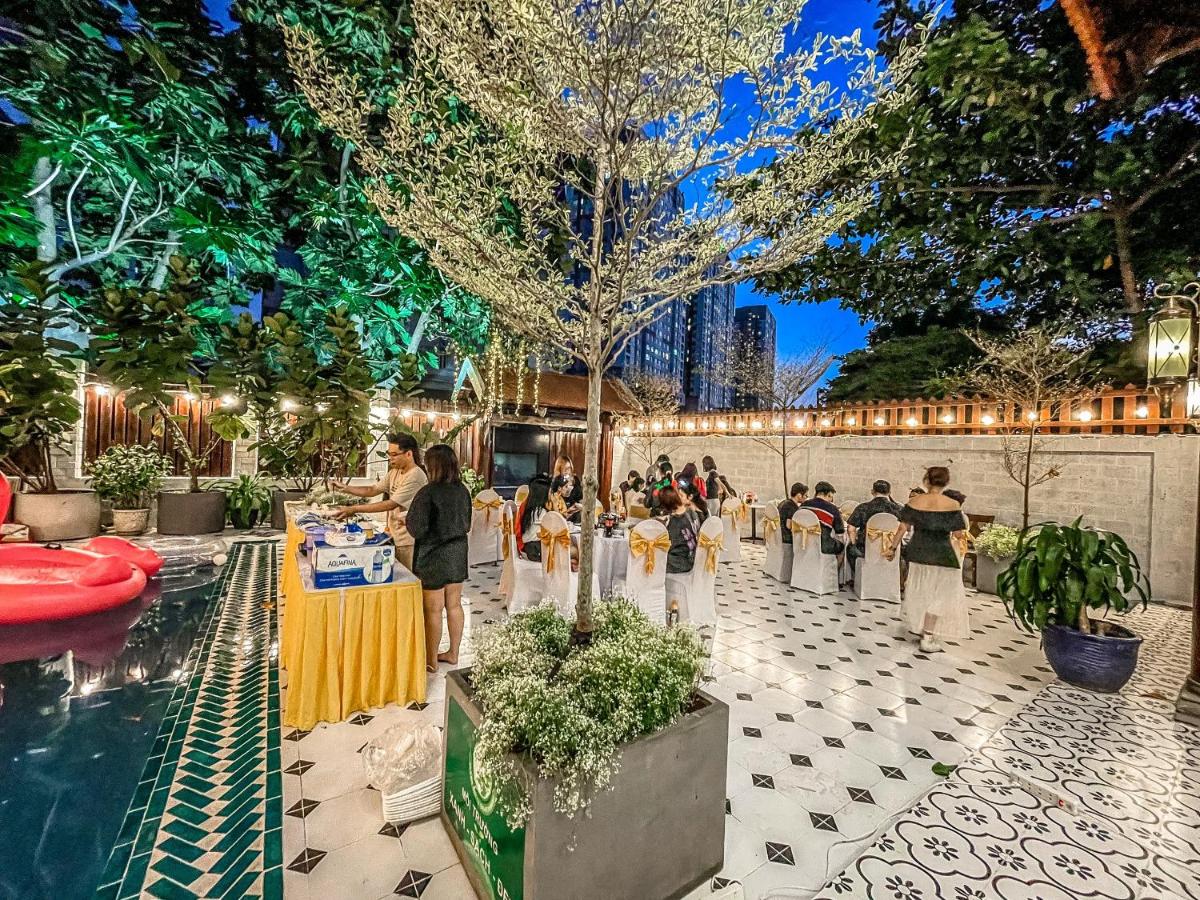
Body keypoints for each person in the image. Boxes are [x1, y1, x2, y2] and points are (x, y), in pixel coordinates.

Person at [884, 466, 970, 653]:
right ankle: (928, 635)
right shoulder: (952, 505)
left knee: (919, 590)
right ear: (946, 482)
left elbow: (902, 528)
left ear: (926, 480)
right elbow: (958, 534)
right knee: (939, 594)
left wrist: (892, 548)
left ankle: (920, 626)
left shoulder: (915, 502)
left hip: (918, 552)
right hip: (942, 553)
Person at [404, 444, 471, 672]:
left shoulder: (428, 492)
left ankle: (431, 660)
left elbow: (416, 528)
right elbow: (467, 523)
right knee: (454, 605)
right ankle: (453, 653)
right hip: (458, 552)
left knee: (433, 610)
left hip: (433, 555)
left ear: (432, 466)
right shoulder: (463, 490)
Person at [333, 433, 427, 571]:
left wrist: (354, 509)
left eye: (394, 454)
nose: (390, 458)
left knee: (405, 576)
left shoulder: (415, 476)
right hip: (394, 534)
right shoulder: (394, 472)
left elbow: (390, 504)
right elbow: (372, 489)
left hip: (408, 539)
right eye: (389, 454)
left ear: (409, 454)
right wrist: (345, 488)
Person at [846, 480, 903, 572]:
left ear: (872, 492)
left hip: (865, 549)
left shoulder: (863, 507)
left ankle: (859, 575)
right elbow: (904, 528)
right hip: (891, 548)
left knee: (850, 549)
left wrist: (853, 543)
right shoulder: (899, 509)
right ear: (889, 492)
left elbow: (850, 528)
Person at [656, 487, 698, 574]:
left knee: (652, 558)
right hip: (693, 556)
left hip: (681, 562)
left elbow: (668, 546)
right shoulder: (692, 512)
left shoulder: (675, 522)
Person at [801, 481, 847, 556]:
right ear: (829, 495)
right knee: (842, 545)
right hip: (823, 546)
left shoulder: (803, 505)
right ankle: (836, 564)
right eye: (831, 497)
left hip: (803, 543)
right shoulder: (832, 508)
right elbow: (840, 531)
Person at [516, 476, 553, 562]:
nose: (551, 495)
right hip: (534, 549)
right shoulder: (540, 512)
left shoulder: (529, 508)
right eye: (550, 492)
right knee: (568, 551)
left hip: (528, 547)